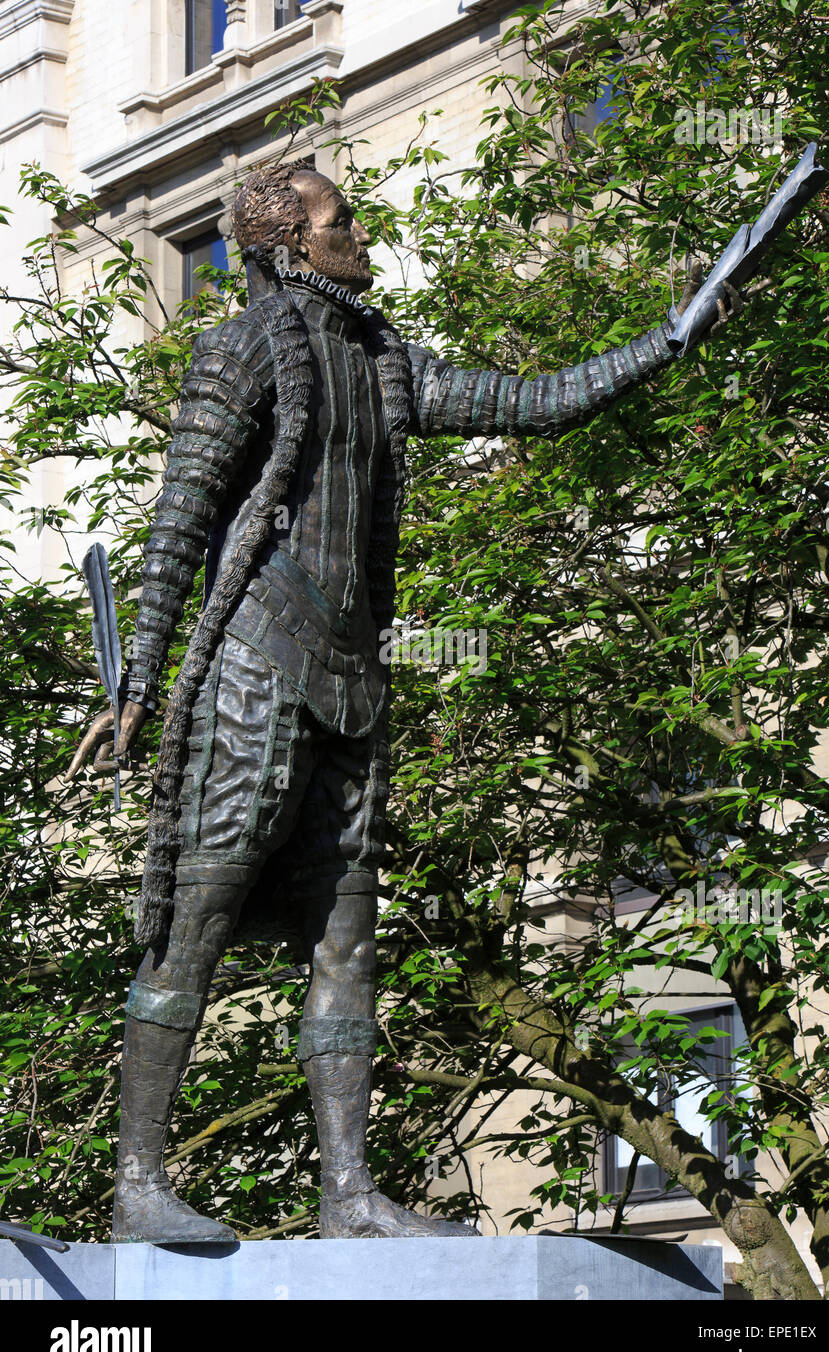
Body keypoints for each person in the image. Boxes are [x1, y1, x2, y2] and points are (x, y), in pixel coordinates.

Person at [68, 157, 741, 1241]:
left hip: (346, 675)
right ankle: (137, 1182)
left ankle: (347, 1197)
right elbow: (181, 510)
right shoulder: (242, 344)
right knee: (189, 921)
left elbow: (530, 400)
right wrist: (141, 673)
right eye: (343, 221)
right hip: (254, 660)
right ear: (294, 244)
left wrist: (668, 337)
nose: (361, 235)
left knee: (346, 940)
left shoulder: (380, 358)